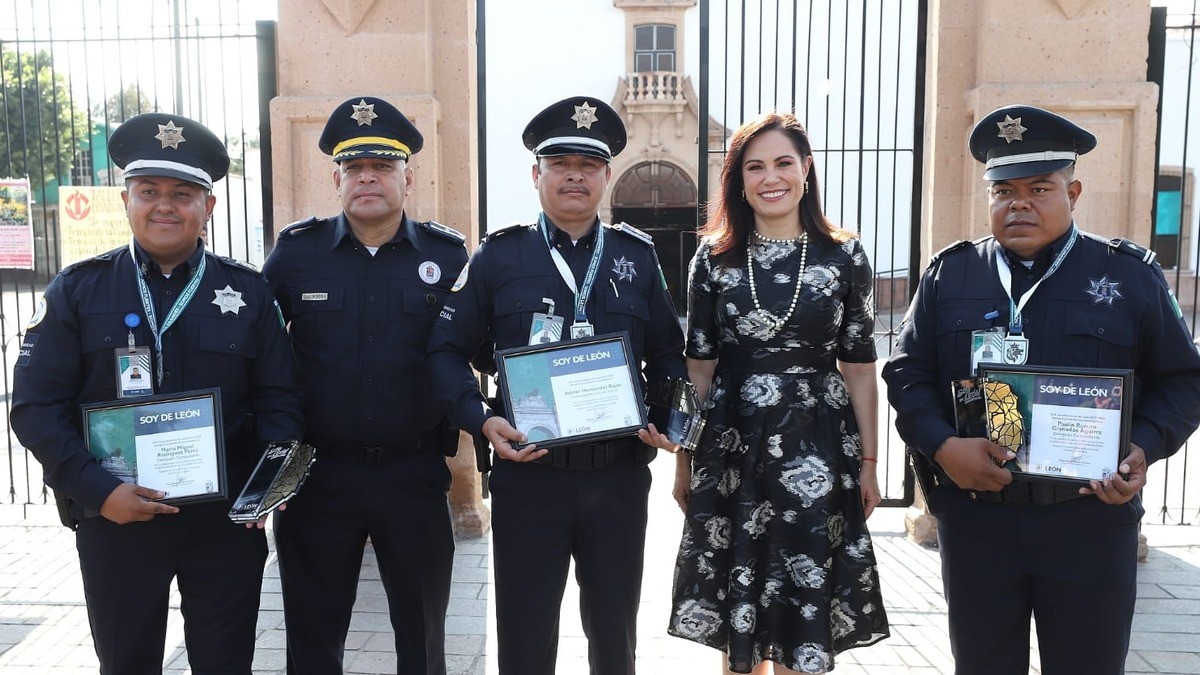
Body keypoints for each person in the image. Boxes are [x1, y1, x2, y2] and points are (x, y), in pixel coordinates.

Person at [881, 104, 1200, 675]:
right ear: (989, 197)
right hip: (978, 522)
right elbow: (907, 374)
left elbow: (1184, 378)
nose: (1019, 203)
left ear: (1073, 192)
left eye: (1038, 188)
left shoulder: (1128, 275)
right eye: (1004, 190)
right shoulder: (950, 275)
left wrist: (1144, 448)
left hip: (1089, 521)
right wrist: (943, 448)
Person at [9, 112, 304, 673]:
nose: (164, 205)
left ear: (208, 207)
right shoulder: (78, 289)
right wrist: (96, 491)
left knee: (226, 662)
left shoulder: (246, 291)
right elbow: (35, 408)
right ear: (126, 201)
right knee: (127, 662)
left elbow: (281, 398)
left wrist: (268, 489)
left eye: (183, 193)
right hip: (117, 517)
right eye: (149, 191)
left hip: (226, 522)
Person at [426, 95, 686, 675]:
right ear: (536, 173)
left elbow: (670, 353)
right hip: (529, 476)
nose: (575, 175)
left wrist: (672, 420)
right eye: (560, 162)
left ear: (606, 175)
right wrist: (481, 418)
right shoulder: (498, 257)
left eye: (588, 165)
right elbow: (444, 351)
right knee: (523, 631)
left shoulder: (637, 258)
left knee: (615, 633)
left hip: (618, 477)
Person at [667, 113, 889, 674]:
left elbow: (861, 367)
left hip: (818, 444)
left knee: (800, 602)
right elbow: (698, 367)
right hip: (731, 446)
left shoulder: (844, 257)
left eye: (783, 163)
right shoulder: (713, 259)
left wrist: (868, 462)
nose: (771, 178)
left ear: (806, 170)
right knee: (737, 610)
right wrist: (684, 462)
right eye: (755, 166)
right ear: (738, 180)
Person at [262, 96, 468, 675]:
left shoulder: (448, 257)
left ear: (410, 175)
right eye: (355, 168)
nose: (368, 178)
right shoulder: (296, 255)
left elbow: (483, 347)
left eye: (382, 166)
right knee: (311, 631)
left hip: (414, 474)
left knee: (423, 636)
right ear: (337, 179)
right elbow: (257, 354)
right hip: (317, 477)